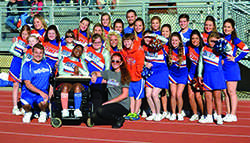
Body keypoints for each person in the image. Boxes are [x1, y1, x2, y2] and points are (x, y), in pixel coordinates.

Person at [88, 52, 130, 128]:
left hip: (122, 104)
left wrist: (108, 102)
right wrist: (94, 75)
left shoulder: (124, 75)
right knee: (93, 117)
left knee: (101, 110)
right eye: (113, 61)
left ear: (121, 63)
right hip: (111, 104)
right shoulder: (109, 73)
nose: (115, 63)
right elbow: (97, 73)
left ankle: (119, 118)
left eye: (117, 61)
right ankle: (114, 120)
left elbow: (124, 95)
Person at [198, 32, 232, 125]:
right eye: (211, 40)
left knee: (217, 96)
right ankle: (209, 116)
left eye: (214, 41)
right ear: (208, 40)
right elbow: (201, 62)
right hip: (207, 76)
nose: (212, 43)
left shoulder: (220, 49)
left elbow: (230, 49)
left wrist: (221, 41)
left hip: (217, 76)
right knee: (208, 97)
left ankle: (219, 116)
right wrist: (199, 74)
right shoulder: (204, 48)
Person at [222, 18, 249, 122]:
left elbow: (246, 49)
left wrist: (236, 59)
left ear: (233, 29)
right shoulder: (222, 38)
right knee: (225, 92)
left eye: (228, 27)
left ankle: (233, 114)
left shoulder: (235, 39)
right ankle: (228, 113)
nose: (226, 29)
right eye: (225, 27)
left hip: (232, 68)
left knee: (231, 91)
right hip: (223, 68)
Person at [21, 43, 52, 123]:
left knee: (44, 102)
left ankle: (43, 112)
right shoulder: (27, 65)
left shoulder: (47, 65)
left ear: (43, 54)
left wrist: (50, 95)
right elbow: (27, 84)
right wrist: (40, 92)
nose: (38, 55)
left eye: (40, 53)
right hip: (29, 92)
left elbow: (51, 81)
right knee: (25, 104)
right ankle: (28, 112)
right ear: (32, 53)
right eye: (36, 52)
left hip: (43, 91)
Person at [142, 31, 169, 121]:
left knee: (154, 94)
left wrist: (154, 35)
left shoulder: (160, 45)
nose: (148, 39)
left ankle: (159, 113)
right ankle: (153, 113)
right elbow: (138, 59)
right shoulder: (143, 48)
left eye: (149, 37)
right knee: (148, 94)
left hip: (161, 73)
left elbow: (166, 41)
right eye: (146, 37)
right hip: (151, 73)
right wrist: (145, 63)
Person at [58, 44, 89, 117]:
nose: (78, 51)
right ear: (73, 49)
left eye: (81, 51)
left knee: (77, 87)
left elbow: (86, 73)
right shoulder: (64, 59)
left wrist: (78, 69)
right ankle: (65, 110)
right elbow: (60, 72)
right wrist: (72, 75)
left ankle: (77, 110)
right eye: (77, 49)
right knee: (65, 87)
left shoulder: (82, 61)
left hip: (78, 83)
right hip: (66, 82)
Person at [83, 34, 110, 112]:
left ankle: (96, 115)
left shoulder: (105, 52)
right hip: (88, 77)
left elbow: (107, 69)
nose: (97, 44)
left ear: (102, 43)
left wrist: (104, 78)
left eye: (99, 42)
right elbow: (83, 63)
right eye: (95, 42)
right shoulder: (88, 50)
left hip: (100, 79)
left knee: (98, 97)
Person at [122, 33, 144, 121]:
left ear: (132, 41)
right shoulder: (125, 51)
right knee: (131, 96)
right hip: (129, 78)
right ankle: (132, 112)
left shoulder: (138, 51)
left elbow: (140, 64)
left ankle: (136, 112)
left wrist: (138, 74)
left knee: (138, 97)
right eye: (124, 41)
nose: (126, 43)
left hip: (138, 78)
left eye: (128, 41)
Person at [8, 25, 30, 115]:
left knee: (24, 86)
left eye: (26, 34)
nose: (24, 36)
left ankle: (24, 106)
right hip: (16, 63)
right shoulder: (17, 39)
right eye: (23, 34)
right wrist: (19, 55)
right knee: (16, 85)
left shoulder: (29, 43)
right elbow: (11, 50)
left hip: (24, 65)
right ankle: (15, 107)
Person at [167, 32, 188, 121]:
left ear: (180, 41)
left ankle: (179, 113)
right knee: (173, 94)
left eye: (176, 40)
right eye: (172, 40)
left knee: (179, 95)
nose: (174, 42)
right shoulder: (168, 50)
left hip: (182, 74)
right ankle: (173, 112)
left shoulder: (185, 49)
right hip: (172, 74)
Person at [187, 30, 205, 121]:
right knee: (190, 95)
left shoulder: (203, 48)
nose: (194, 40)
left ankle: (203, 113)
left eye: (197, 38)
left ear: (200, 39)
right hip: (190, 74)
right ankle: (195, 113)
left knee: (198, 96)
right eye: (193, 38)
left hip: (199, 75)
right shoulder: (188, 47)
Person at [160, 24, 172, 119]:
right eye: (163, 31)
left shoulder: (172, 43)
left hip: (171, 69)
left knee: (173, 91)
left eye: (167, 31)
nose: (164, 33)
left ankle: (173, 110)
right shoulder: (158, 43)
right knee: (163, 90)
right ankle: (164, 110)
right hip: (162, 70)